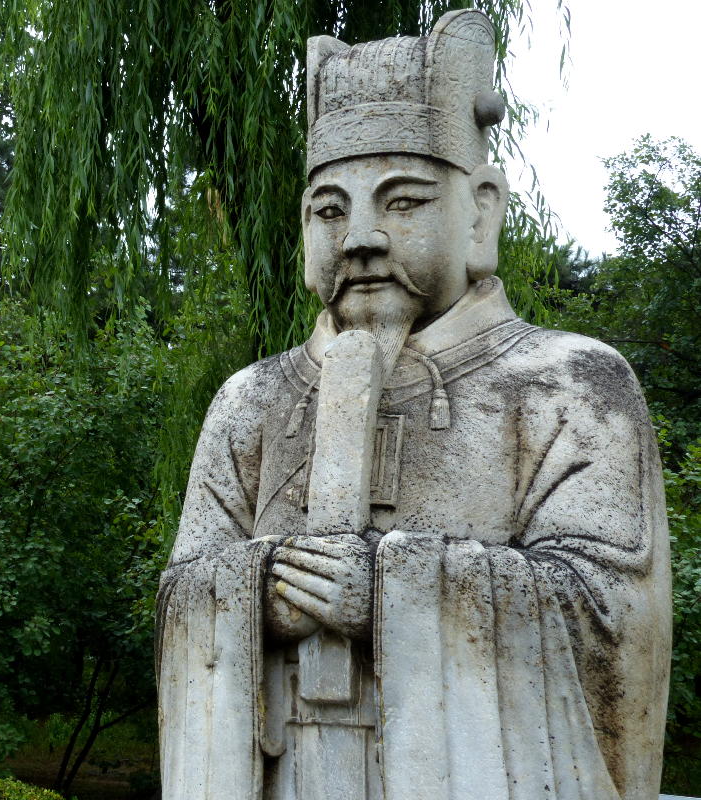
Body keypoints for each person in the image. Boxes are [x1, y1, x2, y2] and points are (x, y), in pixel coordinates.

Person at [156, 10, 671, 800]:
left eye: (402, 203)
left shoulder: (568, 383)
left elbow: (611, 619)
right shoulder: (249, 399)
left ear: (481, 211)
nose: (358, 237)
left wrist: (391, 592)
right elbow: (181, 594)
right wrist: (255, 592)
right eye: (329, 210)